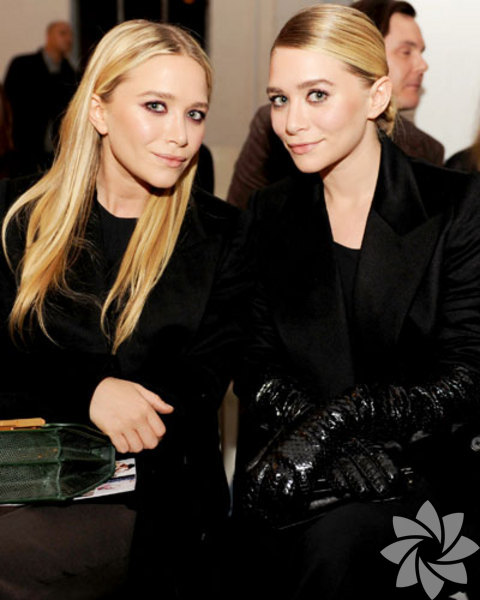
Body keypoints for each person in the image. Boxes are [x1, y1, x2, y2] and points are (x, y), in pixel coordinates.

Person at [232, 5, 480, 600]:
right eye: (280, 98)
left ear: (376, 96)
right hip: (300, 479)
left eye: (316, 95)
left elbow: (467, 374)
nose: (291, 121)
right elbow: (254, 361)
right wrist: (315, 441)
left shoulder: (454, 205)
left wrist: (341, 420)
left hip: (420, 482)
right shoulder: (271, 212)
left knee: (338, 549)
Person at [0, 19, 250, 599]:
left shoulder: (222, 238)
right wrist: (87, 389)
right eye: (155, 106)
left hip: (146, 501)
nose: (180, 135)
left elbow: (189, 395)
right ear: (100, 111)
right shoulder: (18, 218)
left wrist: (52, 381)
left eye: (194, 113)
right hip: (17, 476)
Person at [226, 0, 445, 210]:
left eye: (318, 95)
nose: (422, 65)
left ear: (378, 96)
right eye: (406, 52)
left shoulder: (433, 167)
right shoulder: (267, 202)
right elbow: (241, 215)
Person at [3, 21, 77, 176]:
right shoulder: (22, 65)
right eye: (62, 33)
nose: (69, 39)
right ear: (49, 36)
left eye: (70, 34)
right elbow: (7, 104)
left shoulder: (71, 74)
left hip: (55, 153)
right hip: (21, 149)